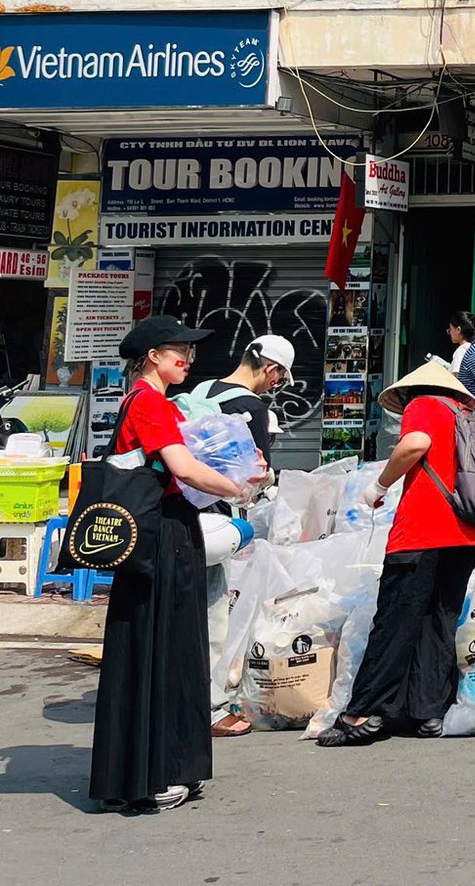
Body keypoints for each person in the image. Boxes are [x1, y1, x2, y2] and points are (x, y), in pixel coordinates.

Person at [91, 317, 258, 813]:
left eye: (188, 349)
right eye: (176, 350)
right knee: (161, 652)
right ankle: (153, 774)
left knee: (163, 649)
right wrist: (240, 488)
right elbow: (183, 468)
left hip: (162, 532)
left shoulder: (139, 401)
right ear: (151, 358)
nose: (186, 357)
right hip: (161, 536)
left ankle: (161, 766)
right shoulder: (151, 403)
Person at [319, 361, 475, 749]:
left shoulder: (424, 403)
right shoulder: (463, 414)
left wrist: (378, 485)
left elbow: (414, 445)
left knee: (395, 619)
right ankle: (428, 712)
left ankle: (362, 712)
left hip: (422, 531)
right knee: (438, 621)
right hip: (468, 532)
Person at [175, 335, 289, 739]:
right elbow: (253, 479)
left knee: (179, 613)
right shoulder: (253, 408)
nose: (276, 386)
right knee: (214, 615)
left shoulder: (199, 390)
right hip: (217, 520)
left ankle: (175, 696)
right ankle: (209, 708)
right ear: (270, 370)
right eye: (280, 378)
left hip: (176, 513)